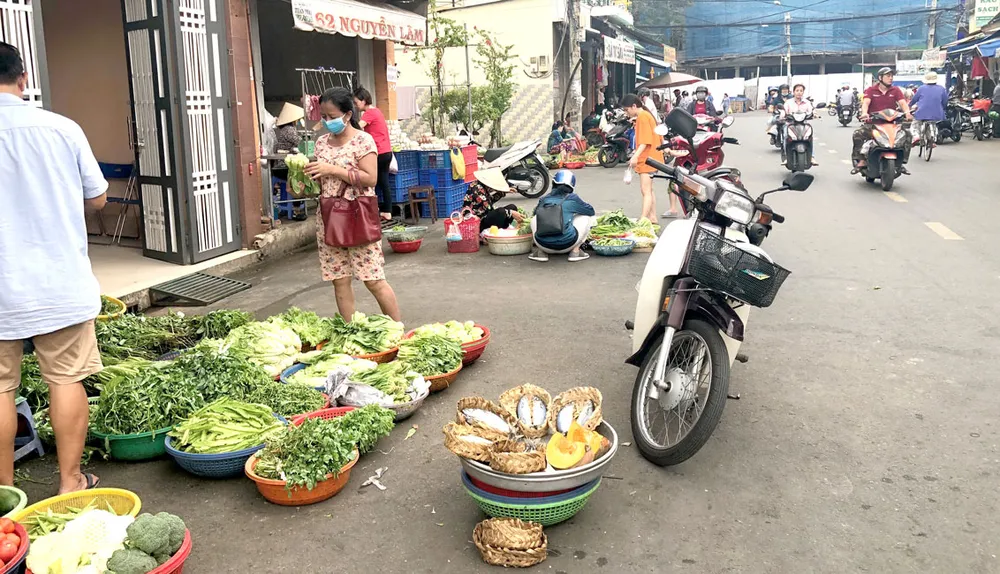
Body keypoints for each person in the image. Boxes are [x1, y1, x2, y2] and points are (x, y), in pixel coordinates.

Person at [0, 42, 104, 494]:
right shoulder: (61, 128)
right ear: (23, 78)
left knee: (1, 388)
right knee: (66, 378)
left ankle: (5, 489)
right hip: (59, 282)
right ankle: (70, 481)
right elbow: (98, 197)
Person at [305, 87, 401, 321]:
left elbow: (370, 178)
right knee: (339, 280)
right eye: (324, 117)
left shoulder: (363, 141)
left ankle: (398, 329)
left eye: (332, 117)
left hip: (358, 215)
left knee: (373, 279)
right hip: (329, 217)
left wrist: (332, 169)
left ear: (348, 115)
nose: (327, 122)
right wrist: (301, 182)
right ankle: (350, 330)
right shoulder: (321, 144)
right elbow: (319, 183)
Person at [853, 67, 913, 174]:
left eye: (891, 76)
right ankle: (861, 160)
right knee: (858, 134)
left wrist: (907, 113)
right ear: (880, 78)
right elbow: (866, 103)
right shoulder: (871, 90)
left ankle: (901, 162)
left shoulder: (896, 90)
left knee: (907, 134)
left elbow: (903, 103)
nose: (891, 78)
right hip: (873, 124)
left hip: (891, 124)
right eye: (888, 76)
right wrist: (864, 113)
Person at [621, 93, 670, 222]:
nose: (626, 113)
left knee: (645, 190)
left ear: (633, 106)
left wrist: (635, 156)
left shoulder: (643, 117)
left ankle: (643, 219)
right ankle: (652, 217)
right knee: (649, 189)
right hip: (652, 158)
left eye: (627, 110)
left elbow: (645, 141)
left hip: (648, 159)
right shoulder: (646, 116)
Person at [529, 170, 595, 262]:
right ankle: (575, 252)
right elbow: (591, 211)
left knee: (534, 218)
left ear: (554, 183)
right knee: (586, 218)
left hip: (543, 244)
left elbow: (535, 214)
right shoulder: (573, 198)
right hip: (567, 244)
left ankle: (541, 252)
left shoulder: (543, 199)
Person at [353, 86, 395, 225]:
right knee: (382, 182)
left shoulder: (369, 113)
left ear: (364, 101)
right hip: (386, 151)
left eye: (356, 102)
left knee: (373, 181)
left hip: (379, 152)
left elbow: (359, 128)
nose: (356, 105)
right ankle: (385, 211)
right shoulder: (377, 111)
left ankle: (376, 209)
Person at [462, 167, 524, 234]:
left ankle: (503, 228)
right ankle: (492, 232)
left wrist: (503, 192)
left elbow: (489, 201)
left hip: (484, 216)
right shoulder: (477, 190)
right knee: (502, 211)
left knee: (512, 207)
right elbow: (489, 208)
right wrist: (510, 213)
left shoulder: (482, 186)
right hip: (477, 223)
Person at [783, 84, 819, 166]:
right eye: (797, 90)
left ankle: (812, 157)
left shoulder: (807, 102)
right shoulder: (788, 102)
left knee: (810, 137)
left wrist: (815, 114)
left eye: (801, 91)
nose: (799, 92)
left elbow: (812, 111)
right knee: (786, 135)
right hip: (790, 124)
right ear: (793, 92)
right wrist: (783, 115)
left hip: (804, 124)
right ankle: (786, 157)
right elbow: (784, 111)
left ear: (803, 92)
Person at [909, 71, 948, 147]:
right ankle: (932, 140)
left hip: (922, 112)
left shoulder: (921, 88)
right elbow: (945, 101)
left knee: (915, 124)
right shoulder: (942, 89)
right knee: (932, 123)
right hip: (937, 113)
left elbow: (914, 99)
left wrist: (909, 106)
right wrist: (942, 108)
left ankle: (916, 136)